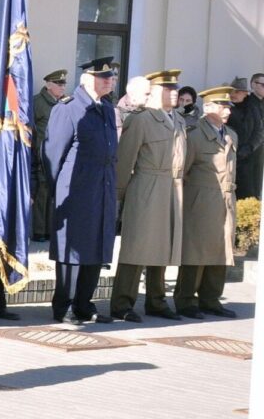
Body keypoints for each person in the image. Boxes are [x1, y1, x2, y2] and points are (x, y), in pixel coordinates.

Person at [44, 56, 119, 326]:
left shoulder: (106, 108)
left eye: (111, 76)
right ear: (87, 79)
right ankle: (64, 306)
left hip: (102, 189)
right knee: (72, 252)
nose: (110, 80)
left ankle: (84, 304)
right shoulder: (68, 108)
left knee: (96, 248)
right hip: (75, 193)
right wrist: (60, 191)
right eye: (103, 77)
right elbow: (53, 155)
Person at [110, 69, 185, 322]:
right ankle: (122, 303)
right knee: (136, 246)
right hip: (146, 186)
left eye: (175, 88)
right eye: (168, 88)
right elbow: (125, 159)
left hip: (170, 188)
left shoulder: (178, 120)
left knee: (162, 246)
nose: (174, 93)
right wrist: (118, 195)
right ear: (154, 92)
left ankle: (156, 300)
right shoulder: (141, 120)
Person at [176, 86, 240, 318]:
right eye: (223, 106)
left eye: (229, 106)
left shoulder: (231, 135)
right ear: (209, 107)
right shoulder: (193, 135)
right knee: (195, 251)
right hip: (200, 201)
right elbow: (182, 171)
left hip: (225, 199)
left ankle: (211, 299)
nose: (228, 111)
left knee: (221, 249)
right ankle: (185, 301)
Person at [31, 70, 67, 242]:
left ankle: (51, 230)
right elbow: (30, 128)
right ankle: (39, 231)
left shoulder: (65, 103)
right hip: (42, 154)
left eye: (63, 84)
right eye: (59, 84)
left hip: (59, 155)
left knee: (55, 194)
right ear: (48, 85)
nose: (62, 87)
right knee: (42, 193)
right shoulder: (38, 103)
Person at [227, 72, 264, 200]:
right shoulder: (227, 108)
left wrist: (248, 148)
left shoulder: (252, 107)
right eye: (232, 92)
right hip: (231, 158)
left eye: (238, 92)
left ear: (245, 93)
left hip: (250, 159)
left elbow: (259, 131)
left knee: (248, 194)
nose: (234, 95)